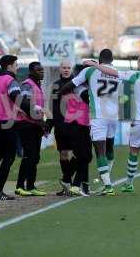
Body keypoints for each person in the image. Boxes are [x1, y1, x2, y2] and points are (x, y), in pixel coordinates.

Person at [84, 52, 140, 196]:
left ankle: (129, 183)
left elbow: (111, 71)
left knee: (134, 152)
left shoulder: (135, 75)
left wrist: (95, 65)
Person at [61, 49, 120, 196]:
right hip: (113, 115)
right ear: (111, 60)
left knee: (99, 151)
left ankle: (108, 186)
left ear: (99, 60)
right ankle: (106, 174)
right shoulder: (117, 72)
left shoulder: (90, 71)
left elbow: (70, 85)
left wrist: (63, 91)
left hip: (99, 116)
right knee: (110, 147)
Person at [0, 55, 28, 200]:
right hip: (7, 123)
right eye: (16, 65)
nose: (17, 68)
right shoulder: (10, 80)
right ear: (9, 66)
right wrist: (31, 111)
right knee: (9, 157)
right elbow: (16, 97)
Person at [15, 62, 47, 196]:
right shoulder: (27, 84)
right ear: (31, 71)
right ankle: (19, 186)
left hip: (35, 124)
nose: (42, 72)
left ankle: (31, 186)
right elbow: (25, 103)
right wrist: (39, 120)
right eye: (38, 70)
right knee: (29, 155)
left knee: (35, 157)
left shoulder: (37, 85)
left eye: (42, 70)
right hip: (26, 124)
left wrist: (41, 122)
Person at [47, 59, 78, 195]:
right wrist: (51, 124)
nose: (66, 70)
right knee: (63, 154)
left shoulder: (77, 84)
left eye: (68, 67)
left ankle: (67, 180)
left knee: (78, 154)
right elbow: (53, 107)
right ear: (60, 69)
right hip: (61, 125)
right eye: (64, 67)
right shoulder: (55, 86)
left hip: (75, 125)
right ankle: (67, 185)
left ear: (71, 69)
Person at [65, 64, 92, 196]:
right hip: (77, 124)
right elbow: (87, 98)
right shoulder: (79, 87)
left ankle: (67, 179)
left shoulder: (80, 86)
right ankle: (74, 184)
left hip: (81, 124)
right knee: (85, 156)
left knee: (83, 156)